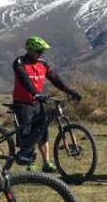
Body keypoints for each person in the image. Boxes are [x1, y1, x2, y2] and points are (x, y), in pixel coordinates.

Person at [12, 36, 81, 171]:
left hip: (38, 103)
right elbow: (24, 80)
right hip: (23, 103)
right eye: (38, 51)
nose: (41, 54)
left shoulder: (43, 64)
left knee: (42, 133)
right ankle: (30, 162)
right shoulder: (19, 62)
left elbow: (55, 79)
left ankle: (47, 163)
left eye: (42, 51)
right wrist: (35, 93)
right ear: (30, 50)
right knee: (27, 134)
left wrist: (70, 91)